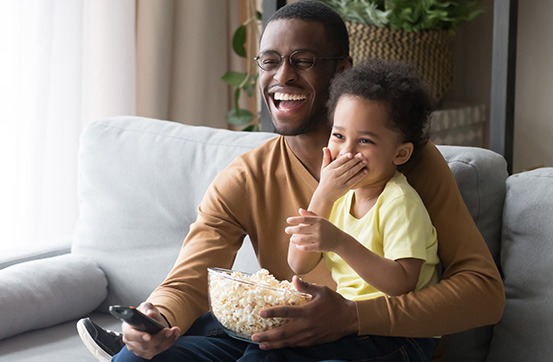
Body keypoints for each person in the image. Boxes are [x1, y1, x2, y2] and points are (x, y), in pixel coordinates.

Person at [78, 1, 504, 361]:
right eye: (270, 61)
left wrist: (354, 317)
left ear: (342, 71)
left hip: (378, 344)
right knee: (141, 353)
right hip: (279, 339)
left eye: (302, 61)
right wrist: (158, 317)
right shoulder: (246, 176)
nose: (282, 76)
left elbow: (483, 293)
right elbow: (192, 276)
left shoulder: (410, 165)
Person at [287, 61, 440, 301]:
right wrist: (323, 195)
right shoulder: (336, 197)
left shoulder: (399, 202)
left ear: (400, 154)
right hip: (350, 322)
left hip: (397, 331)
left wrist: (339, 242)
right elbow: (298, 263)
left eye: (365, 141)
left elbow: (402, 283)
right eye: (338, 136)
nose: (346, 152)